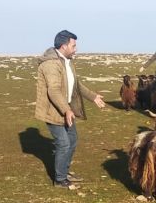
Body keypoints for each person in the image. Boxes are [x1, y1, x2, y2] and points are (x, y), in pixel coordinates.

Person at [35, 30, 106, 188]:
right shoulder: (50, 65)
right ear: (63, 46)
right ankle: (60, 180)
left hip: (67, 111)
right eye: (73, 45)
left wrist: (93, 96)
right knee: (64, 143)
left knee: (72, 140)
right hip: (54, 111)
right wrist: (66, 110)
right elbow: (53, 90)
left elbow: (76, 85)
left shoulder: (67, 62)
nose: (76, 49)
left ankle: (64, 171)